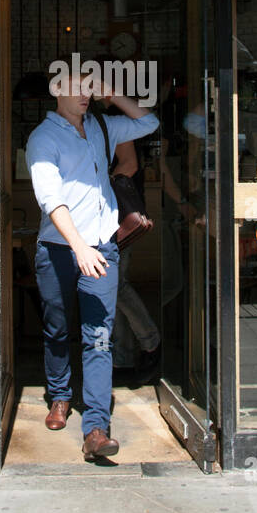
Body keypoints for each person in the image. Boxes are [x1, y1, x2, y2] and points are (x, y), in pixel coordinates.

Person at [27, 60, 159, 461]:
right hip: (59, 251)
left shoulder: (103, 126)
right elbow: (52, 198)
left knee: (98, 336)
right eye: (75, 85)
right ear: (55, 90)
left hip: (101, 249)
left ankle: (97, 427)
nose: (84, 93)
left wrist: (112, 93)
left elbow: (149, 123)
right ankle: (61, 396)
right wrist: (78, 246)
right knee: (56, 327)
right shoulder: (42, 138)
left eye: (89, 86)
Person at [109, 136, 161, 380]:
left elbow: (128, 166)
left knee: (116, 287)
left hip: (118, 218)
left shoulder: (115, 119)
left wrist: (97, 184)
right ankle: (122, 359)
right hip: (115, 218)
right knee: (115, 288)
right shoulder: (112, 118)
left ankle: (151, 341)